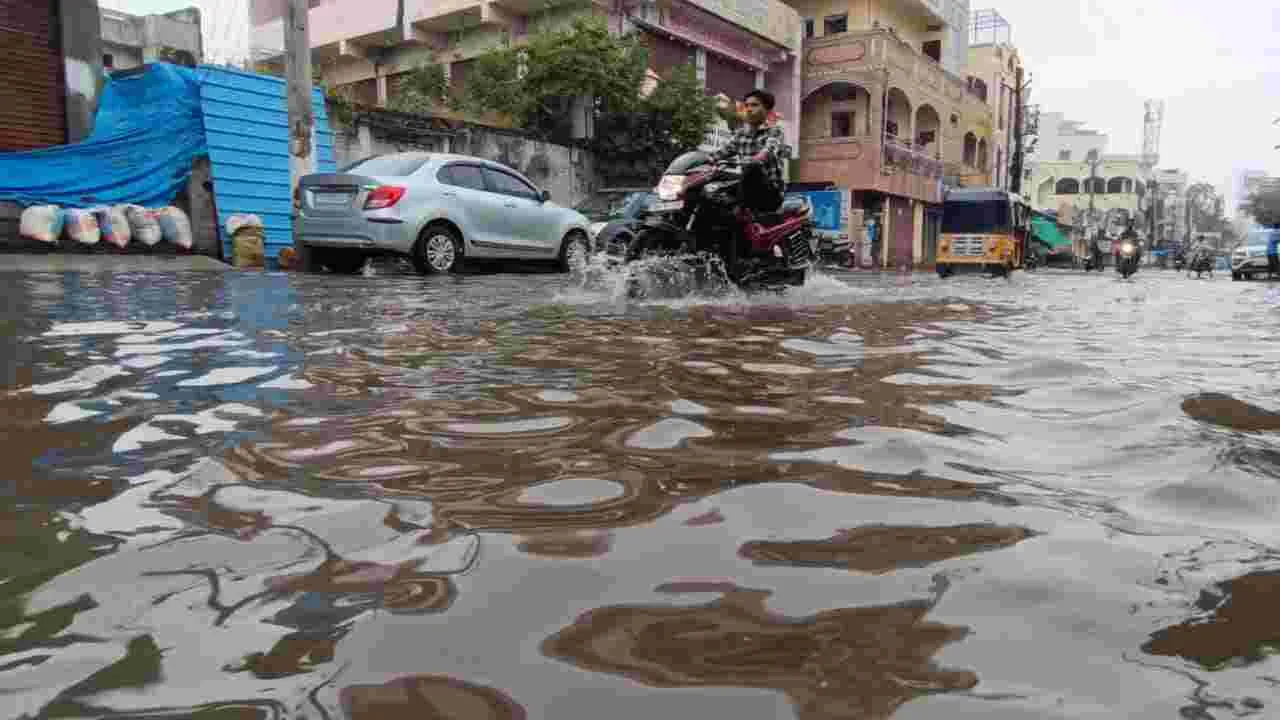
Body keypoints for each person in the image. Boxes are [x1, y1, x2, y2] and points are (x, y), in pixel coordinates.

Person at [710, 89, 788, 214]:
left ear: (767, 110)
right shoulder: (740, 134)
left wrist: (755, 159)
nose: (749, 109)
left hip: (770, 193)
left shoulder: (775, 131)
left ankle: (740, 210)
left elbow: (768, 151)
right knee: (711, 191)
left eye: (754, 105)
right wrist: (700, 160)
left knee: (752, 167)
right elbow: (719, 154)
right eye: (746, 105)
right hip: (746, 190)